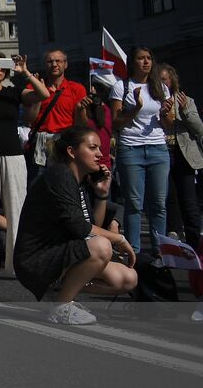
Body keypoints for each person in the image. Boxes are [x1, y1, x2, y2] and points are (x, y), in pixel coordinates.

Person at [14, 126, 138, 323]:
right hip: (37, 259)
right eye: (92, 148)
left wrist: (102, 194)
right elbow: (81, 228)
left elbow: (91, 225)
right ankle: (61, 306)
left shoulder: (80, 180)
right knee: (102, 246)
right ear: (72, 152)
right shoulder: (60, 175)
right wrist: (119, 239)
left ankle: (59, 294)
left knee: (127, 278)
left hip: (62, 254)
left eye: (99, 148)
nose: (100, 154)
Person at [0, 54, 48, 278]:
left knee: (17, 209)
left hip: (13, 156)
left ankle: (15, 264)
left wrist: (24, 72)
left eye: (1, 64)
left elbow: (43, 94)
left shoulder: (14, 90)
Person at [110, 46, 171, 254]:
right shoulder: (121, 87)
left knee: (159, 204)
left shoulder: (161, 88)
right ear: (132, 62)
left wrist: (165, 113)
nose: (146, 62)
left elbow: (169, 124)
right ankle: (133, 251)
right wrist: (135, 108)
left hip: (158, 149)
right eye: (141, 58)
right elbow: (116, 122)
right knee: (134, 203)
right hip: (131, 149)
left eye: (149, 58)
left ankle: (159, 252)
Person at [22, 49, 89, 180]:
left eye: (58, 61)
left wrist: (80, 110)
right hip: (40, 144)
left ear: (66, 64)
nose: (54, 64)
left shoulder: (77, 88)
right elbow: (28, 120)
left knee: (64, 183)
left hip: (63, 142)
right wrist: (39, 96)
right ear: (44, 65)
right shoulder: (33, 87)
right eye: (50, 61)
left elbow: (81, 125)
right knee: (37, 185)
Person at [159, 64, 202, 249]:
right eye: (159, 80)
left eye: (165, 79)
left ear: (172, 80)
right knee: (168, 197)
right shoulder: (152, 101)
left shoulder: (186, 100)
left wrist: (184, 110)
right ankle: (172, 234)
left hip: (183, 155)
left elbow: (199, 129)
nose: (162, 83)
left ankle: (195, 241)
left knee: (188, 200)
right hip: (161, 153)